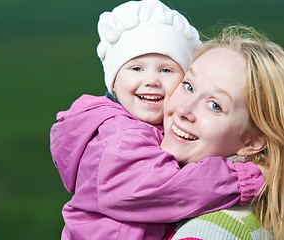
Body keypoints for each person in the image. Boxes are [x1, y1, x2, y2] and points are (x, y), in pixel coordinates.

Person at [50, 1, 264, 239]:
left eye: (166, 70)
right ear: (113, 80)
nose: (151, 80)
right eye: (136, 68)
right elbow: (170, 187)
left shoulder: (148, 130)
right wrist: (244, 180)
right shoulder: (117, 137)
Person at [163, 25, 284, 240]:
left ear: (253, 141)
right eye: (189, 86)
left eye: (215, 105)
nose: (183, 110)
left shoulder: (205, 231)